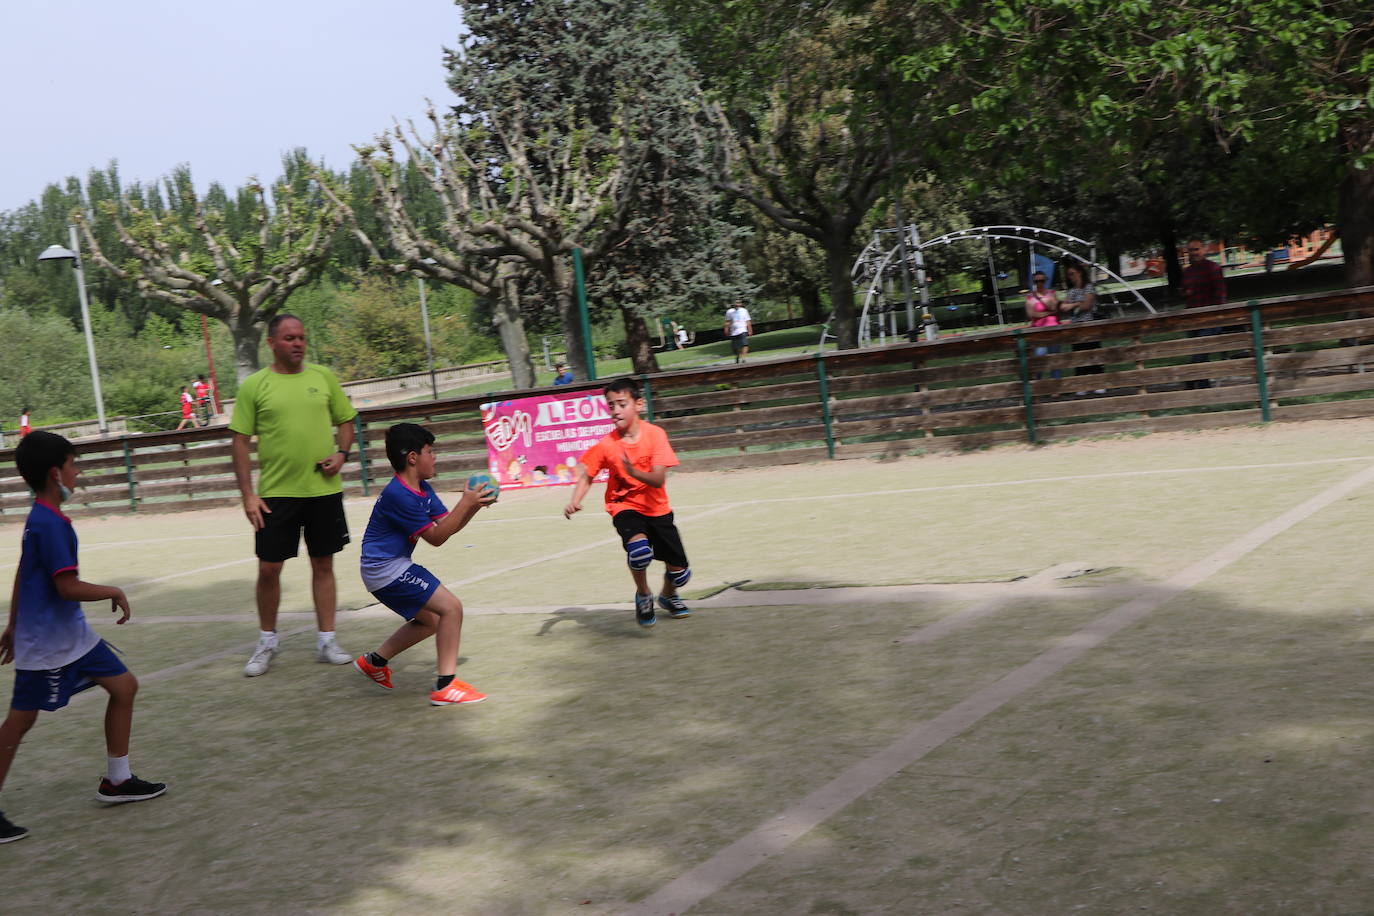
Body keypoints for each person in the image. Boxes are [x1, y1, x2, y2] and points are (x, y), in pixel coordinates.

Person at [0, 431, 167, 844]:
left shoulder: (41, 516)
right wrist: (114, 590)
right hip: (48, 643)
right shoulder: (50, 523)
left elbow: (24, 570)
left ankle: (117, 780)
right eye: (74, 465)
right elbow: (66, 587)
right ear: (56, 473)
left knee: (124, 686)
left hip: (71, 634)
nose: (78, 473)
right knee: (21, 721)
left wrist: (11, 623)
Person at [230, 314, 358, 677]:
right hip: (275, 495)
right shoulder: (255, 385)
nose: (298, 343)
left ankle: (327, 640)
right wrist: (248, 495)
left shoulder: (323, 377)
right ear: (271, 343)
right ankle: (267, 641)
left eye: (301, 337)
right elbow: (239, 442)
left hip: (323, 492)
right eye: (289, 338)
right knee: (269, 569)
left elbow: (346, 421)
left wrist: (342, 454)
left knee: (324, 564)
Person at [353, 423, 497, 706]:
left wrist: (472, 506)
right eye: (430, 451)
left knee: (430, 621)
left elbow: (447, 525)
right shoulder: (400, 495)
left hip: (386, 567)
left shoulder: (421, 488)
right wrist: (465, 502)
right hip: (385, 568)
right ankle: (446, 685)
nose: (435, 458)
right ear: (412, 457)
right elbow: (437, 538)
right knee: (451, 608)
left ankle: (374, 662)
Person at [563, 377, 693, 628]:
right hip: (624, 506)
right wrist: (575, 500)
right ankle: (643, 594)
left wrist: (633, 472)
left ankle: (667, 595)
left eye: (622, 404)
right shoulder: (607, 444)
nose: (615, 411)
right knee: (639, 552)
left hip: (657, 508)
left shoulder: (655, 436)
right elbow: (588, 473)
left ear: (639, 404)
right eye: (611, 406)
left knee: (681, 572)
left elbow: (657, 479)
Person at [1180, 238, 1227, 390]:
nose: (1194, 253)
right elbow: (1184, 292)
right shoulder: (1187, 272)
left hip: (1209, 317)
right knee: (1197, 351)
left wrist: (1218, 314)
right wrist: (1185, 293)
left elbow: (1220, 294)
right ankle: (1202, 384)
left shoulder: (1213, 268)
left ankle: (1190, 377)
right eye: (1190, 250)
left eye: (1196, 249)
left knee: (1202, 350)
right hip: (1192, 317)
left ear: (1204, 250)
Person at [1062, 263, 1105, 391]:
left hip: (1090, 325)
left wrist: (1073, 305)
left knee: (1094, 354)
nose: (1070, 277)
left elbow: (1087, 305)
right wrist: (1077, 304)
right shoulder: (1071, 291)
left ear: (1079, 273)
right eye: (1068, 275)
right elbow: (1064, 307)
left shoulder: (1088, 287)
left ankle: (1099, 384)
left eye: (1072, 274)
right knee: (1079, 356)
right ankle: (1082, 385)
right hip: (1076, 328)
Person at [1024, 271, 1061, 380]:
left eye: (1042, 280)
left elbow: (1056, 308)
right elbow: (1032, 314)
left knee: (1055, 358)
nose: (1039, 283)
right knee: (1040, 357)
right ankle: (1038, 385)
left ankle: (1056, 388)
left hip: (1053, 329)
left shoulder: (1052, 293)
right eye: (1037, 281)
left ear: (1045, 281)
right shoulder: (1030, 297)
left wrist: (1043, 300)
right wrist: (1049, 312)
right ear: (1034, 282)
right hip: (1038, 332)